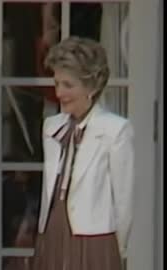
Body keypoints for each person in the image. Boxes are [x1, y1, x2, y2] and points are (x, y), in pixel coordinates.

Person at [32, 36, 135, 270]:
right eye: (57, 83)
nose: (59, 93)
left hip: (94, 239)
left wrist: (115, 250)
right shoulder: (51, 127)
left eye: (68, 85)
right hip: (52, 233)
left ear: (92, 86)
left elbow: (124, 202)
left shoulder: (115, 130)